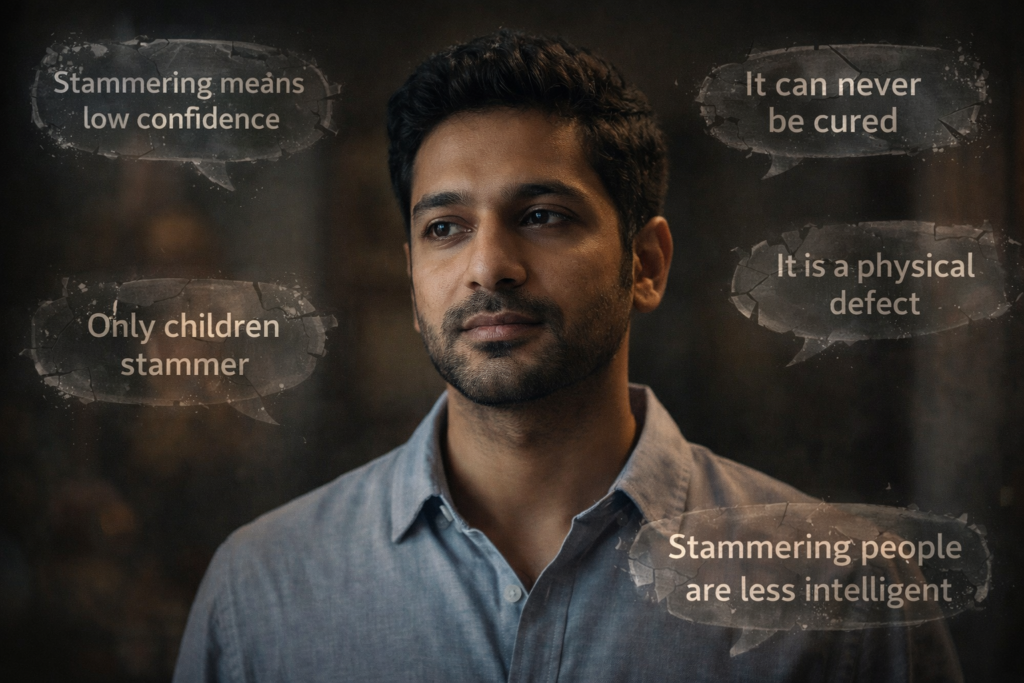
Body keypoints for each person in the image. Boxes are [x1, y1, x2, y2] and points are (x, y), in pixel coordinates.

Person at [173, 30, 961, 682]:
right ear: (412, 272)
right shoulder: (261, 590)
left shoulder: (850, 593)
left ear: (646, 264)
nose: (488, 266)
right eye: (444, 228)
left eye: (542, 214)